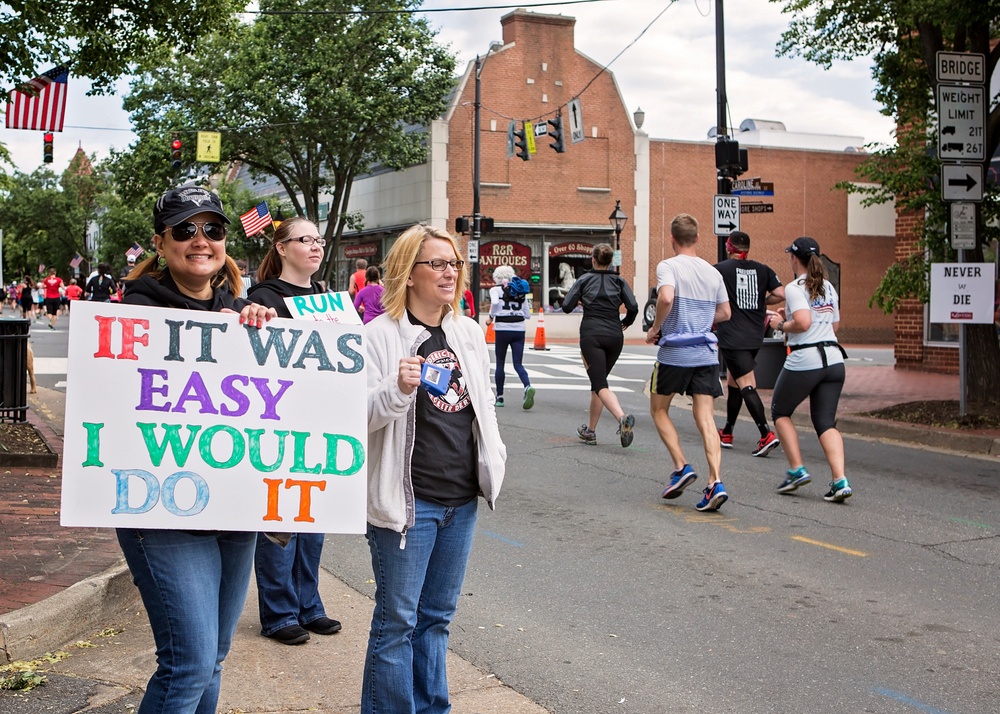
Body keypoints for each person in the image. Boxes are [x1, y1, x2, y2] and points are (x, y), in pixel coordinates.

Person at [118, 186, 276, 713]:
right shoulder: (134, 314)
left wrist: (263, 336)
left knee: (213, 657)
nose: (200, 240)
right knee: (188, 663)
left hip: (234, 509)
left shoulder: (241, 315)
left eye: (212, 229)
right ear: (161, 243)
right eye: (185, 229)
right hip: (163, 508)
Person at [363, 223, 505, 714]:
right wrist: (394, 391)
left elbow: (481, 408)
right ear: (408, 272)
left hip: (461, 500)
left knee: (438, 618)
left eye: (455, 263)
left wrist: (493, 464)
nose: (450, 272)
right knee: (398, 620)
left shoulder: (466, 331)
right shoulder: (379, 337)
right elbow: (355, 418)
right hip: (408, 502)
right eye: (438, 264)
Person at [243, 217, 343, 646]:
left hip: (319, 418)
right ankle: (279, 612)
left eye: (318, 240)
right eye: (305, 240)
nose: (316, 247)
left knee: (312, 519)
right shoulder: (266, 298)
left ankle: (309, 604)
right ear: (282, 248)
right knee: (279, 520)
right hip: (279, 421)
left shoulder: (327, 298)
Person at [646, 213, 731, 511]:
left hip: (674, 353)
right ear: (697, 239)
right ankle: (715, 482)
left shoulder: (668, 266)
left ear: (672, 240)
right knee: (706, 418)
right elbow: (725, 313)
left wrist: (657, 328)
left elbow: (666, 299)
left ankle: (682, 467)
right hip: (706, 353)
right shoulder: (713, 272)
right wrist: (702, 321)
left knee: (658, 409)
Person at [767, 236, 853, 502]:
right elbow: (833, 326)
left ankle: (796, 469)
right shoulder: (828, 286)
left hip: (806, 358)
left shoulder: (794, 286)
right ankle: (840, 480)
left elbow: (803, 322)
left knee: (780, 411)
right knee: (825, 422)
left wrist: (780, 325)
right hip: (834, 360)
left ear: (795, 258)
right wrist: (791, 316)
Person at [714, 230, 785, 456]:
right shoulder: (763, 269)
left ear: (729, 247)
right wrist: (760, 300)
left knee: (746, 383)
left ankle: (766, 434)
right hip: (755, 335)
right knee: (734, 383)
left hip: (733, 336)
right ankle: (727, 431)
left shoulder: (720, 270)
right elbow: (780, 293)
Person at [560, 243, 639, 447]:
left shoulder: (584, 280)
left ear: (593, 260)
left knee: (600, 384)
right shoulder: (619, 281)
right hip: (615, 335)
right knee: (598, 382)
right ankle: (590, 431)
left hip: (591, 336)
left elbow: (566, 306)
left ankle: (622, 418)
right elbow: (633, 307)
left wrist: (580, 300)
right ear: (610, 261)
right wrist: (626, 323)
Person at [486, 264, 535, 409]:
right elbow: (527, 314)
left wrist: (491, 317)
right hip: (519, 329)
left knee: (500, 362)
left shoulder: (495, 290)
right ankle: (527, 386)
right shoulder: (520, 290)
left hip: (502, 329)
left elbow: (495, 303)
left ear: (497, 277)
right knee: (518, 363)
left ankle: (500, 397)